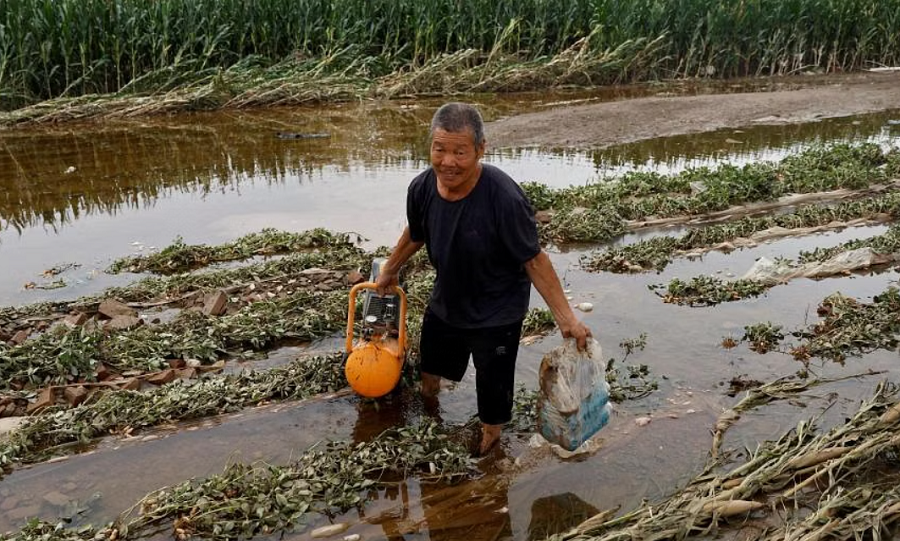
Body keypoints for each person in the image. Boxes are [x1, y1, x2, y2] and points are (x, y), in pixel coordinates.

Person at [375, 102, 592, 455]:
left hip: (497, 312)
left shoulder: (504, 198)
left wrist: (567, 319)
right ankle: (432, 427)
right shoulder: (422, 188)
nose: (448, 162)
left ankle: (490, 450)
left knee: (493, 400)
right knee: (429, 376)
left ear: (480, 150)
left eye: (460, 152)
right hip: (447, 301)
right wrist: (390, 268)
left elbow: (534, 260)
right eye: (439, 149)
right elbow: (416, 233)